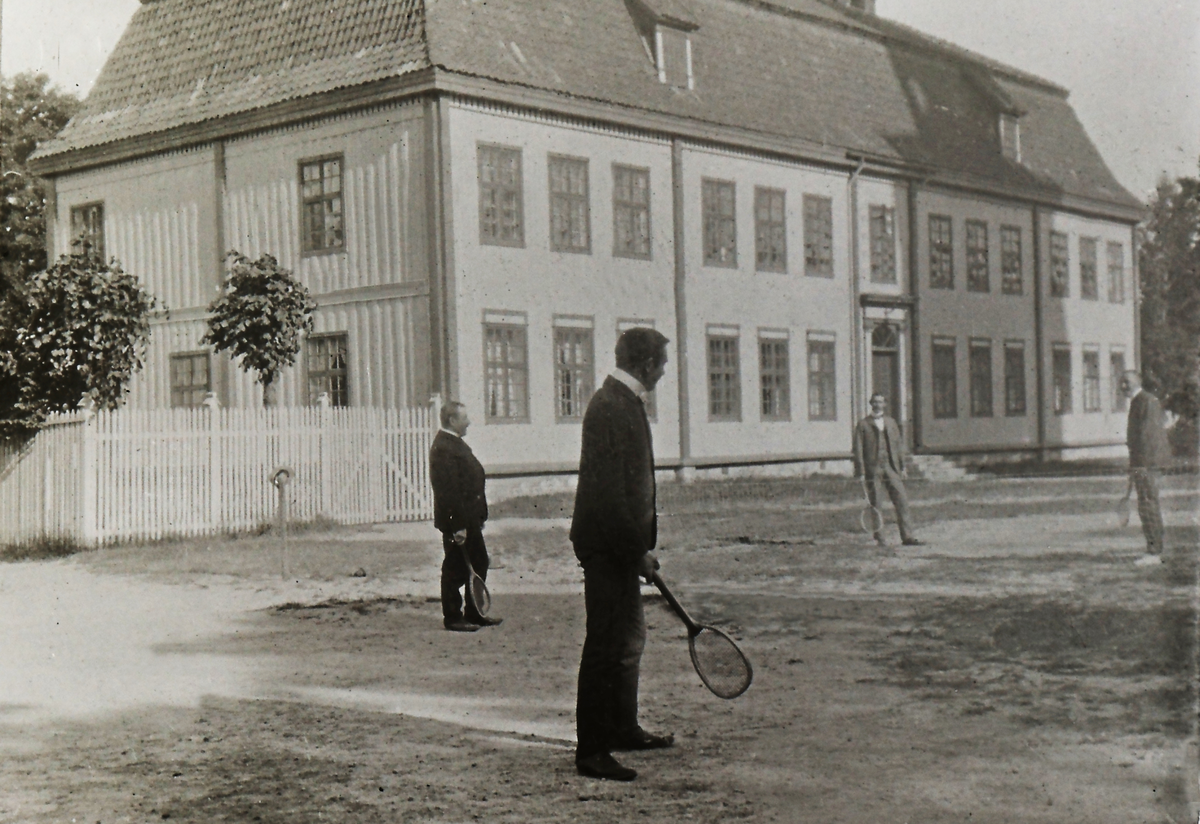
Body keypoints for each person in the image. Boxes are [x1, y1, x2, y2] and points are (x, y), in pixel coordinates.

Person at [570, 327, 673, 782]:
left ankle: (623, 727)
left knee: (629, 642)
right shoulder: (610, 406)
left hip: (621, 545)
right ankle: (592, 749)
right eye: (662, 364)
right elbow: (609, 496)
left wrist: (636, 550)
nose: (664, 371)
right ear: (646, 364)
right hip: (608, 546)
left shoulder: (622, 401)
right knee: (606, 646)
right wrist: (637, 553)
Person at [429, 401, 502, 631]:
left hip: (468, 520)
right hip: (458, 523)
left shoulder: (453, 443)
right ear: (452, 420)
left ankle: (474, 612)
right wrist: (457, 526)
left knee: (479, 561)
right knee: (454, 568)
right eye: (465, 417)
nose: (468, 422)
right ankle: (452, 617)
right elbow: (447, 491)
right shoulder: (444, 447)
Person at [852, 392, 924, 547]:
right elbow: (858, 449)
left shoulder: (891, 422)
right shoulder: (863, 424)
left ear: (885, 404)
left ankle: (908, 536)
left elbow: (898, 446)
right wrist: (861, 472)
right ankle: (881, 538)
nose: (878, 405)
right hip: (873, 469)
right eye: (875, 402)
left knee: (902, 500)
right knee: (876, 504)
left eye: (881, 402)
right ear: (871, 404)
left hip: (891, 467)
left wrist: (902, 466)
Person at [1121, 370, 1169, 563]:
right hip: (1144, 463)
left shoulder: (1146, 401)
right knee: (1147, 505)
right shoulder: (1138, 401)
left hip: (1149, 463)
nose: (1123, 386)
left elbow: (1148, 437)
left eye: (1127, 382)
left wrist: (1140, 465)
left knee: (1148, 505)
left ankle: (1154, 552)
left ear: (1137, 382)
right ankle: (1154, 548)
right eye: (1121, 382)